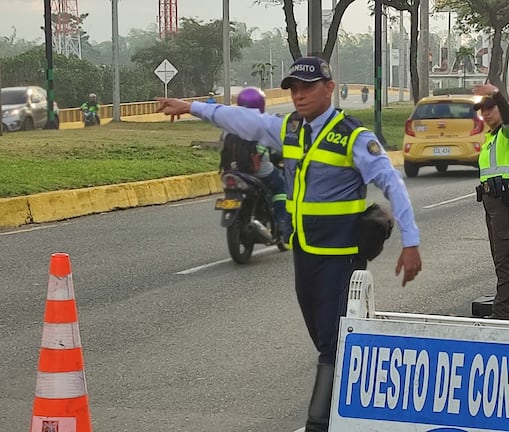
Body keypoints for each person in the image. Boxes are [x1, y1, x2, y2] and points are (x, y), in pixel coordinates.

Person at [156, 56, 422, 432]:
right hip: (305, 253)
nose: (299, 95)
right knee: (322, 336)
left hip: (341, 256)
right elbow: (242, 120)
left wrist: (411, 241)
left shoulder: (354, 137)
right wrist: (191, 107)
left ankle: (320, 422)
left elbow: (392, 183)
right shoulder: (291, 129)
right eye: (294, 88)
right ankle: (353, 398)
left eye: (307, 87)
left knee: (330, 341)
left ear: (329, 89)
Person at [472, 83, 509, 320]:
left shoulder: (508, 133)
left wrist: (496, 93)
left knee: (503, 261)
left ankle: (501, 314)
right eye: (482, 110)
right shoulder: (491, 138)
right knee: (505, 260)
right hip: (492, 202)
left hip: (505, 204)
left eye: (490, 109)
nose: (486, 114)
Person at [219, 87, 291, 239]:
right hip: (259, 171)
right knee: (281, 187)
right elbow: (267, 148)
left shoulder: (229, 126)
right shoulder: (260, 124)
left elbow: (222, 148)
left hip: (232, 172)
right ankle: (282, 222)